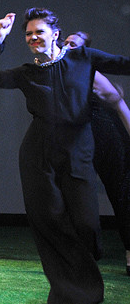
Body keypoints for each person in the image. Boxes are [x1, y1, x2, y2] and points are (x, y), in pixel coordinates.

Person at [0, 8, 130, 303]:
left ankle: (80, 279)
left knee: (87, 225)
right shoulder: (26, 73)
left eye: (39, 32)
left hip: (78, 151)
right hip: (39, 155)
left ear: (55, 34)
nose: (33, 38)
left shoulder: (83, 58)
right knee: (51, 222)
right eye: (28, 34)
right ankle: (69, 291)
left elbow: (123, 64)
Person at [64, 31, 130, 276]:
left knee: (121, 193)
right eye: (66, 42)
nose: (68, 47)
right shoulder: (61, 71)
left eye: (74, 44)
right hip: (83, 137)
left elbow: (119, 104)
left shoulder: (91, 71)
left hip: (107, 134)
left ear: (85, 51)